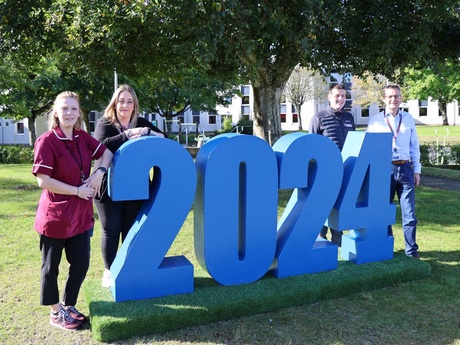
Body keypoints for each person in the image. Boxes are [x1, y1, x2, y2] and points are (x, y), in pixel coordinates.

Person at [32, 91, 113, 331]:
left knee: (80, 263)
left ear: (79, 113)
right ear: (56, 112)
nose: (69, 113)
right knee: (51, 267)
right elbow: (43, 180)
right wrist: (77, 191)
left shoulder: (82, 138)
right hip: (55, 218)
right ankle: (55, 312)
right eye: (64, 108)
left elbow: (106, 153)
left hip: (80, 217)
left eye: (73, 109)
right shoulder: (46, 141)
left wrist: (99, 173)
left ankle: (69, 305)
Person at [94, 84, 165, 287]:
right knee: (111, 229)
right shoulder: (105, 123)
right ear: (114, 104)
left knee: (130, 228)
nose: (125, 105)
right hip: (109, 186)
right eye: (121, 101)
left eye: (129, 101)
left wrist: (146, 132)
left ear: (135, 105)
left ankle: (127, 269)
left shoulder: (141, 122)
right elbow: (99, 147)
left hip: (136, 186)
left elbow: (163, 138)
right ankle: (109, 270)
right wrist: (127, 135)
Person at [367, 84, 421, 258]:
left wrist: (417, 170)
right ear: (384, 99)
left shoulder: (408, 119)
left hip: (405, 169)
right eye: (390, 96)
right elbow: (370, 149)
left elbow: (414, 146)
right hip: (384, 169)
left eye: (396, 96)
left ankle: (411, 251)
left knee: (409, 213)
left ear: (400, 98)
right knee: (384, 211)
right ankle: (386, 247)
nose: (393, 99)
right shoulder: (375, 120)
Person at [309, 83, 356, 246]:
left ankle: (338, 243)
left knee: (341, 206)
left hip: (346, 171)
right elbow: (312, 148)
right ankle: (320, 240)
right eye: (337, 95)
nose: (341, 99)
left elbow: (354, 143)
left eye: (343, 96)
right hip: (325, 172)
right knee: (323, 205)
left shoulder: (349, 117)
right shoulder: (319, 118)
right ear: (329, 97)